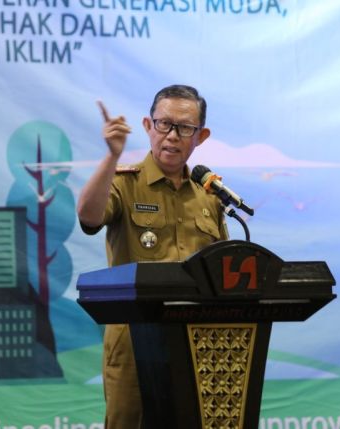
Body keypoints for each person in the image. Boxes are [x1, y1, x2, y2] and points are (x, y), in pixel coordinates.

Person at [77, 84, 229, 428]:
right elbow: (88, 215)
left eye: (185, 128)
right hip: (134, 341)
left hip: (196, 343)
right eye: (164, 124)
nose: (172, 136)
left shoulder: (209, 196)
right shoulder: (124, 183)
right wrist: (111, 157)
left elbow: (221, 270)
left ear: (201, 136)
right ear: (148, 126)